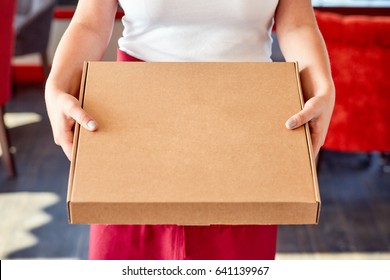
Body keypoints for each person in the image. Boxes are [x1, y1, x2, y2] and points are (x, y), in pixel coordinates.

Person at [45, 0, 335, 260]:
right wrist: (56, 86)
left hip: (246, 116)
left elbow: (297, 23)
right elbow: (90, 23)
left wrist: (322, 85)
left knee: (236, 251)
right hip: (135, 112)